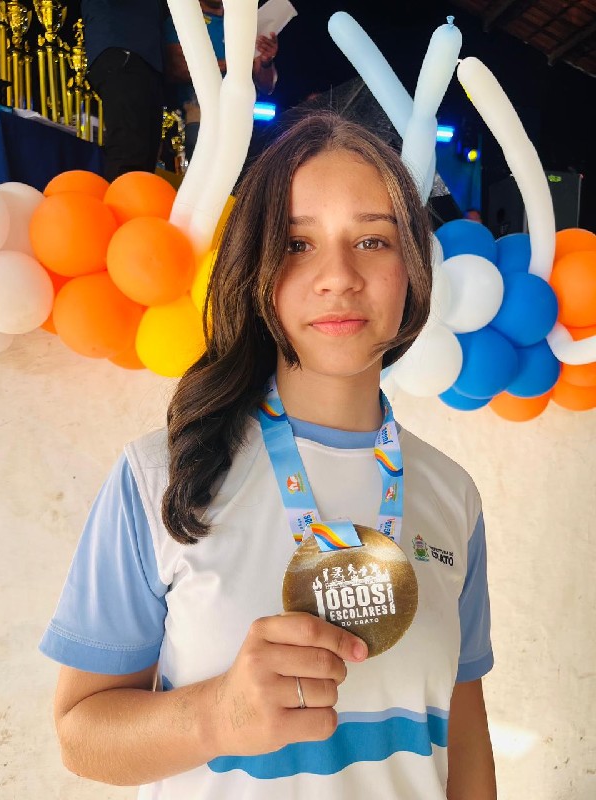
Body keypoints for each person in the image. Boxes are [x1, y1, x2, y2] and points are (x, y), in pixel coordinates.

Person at [40, 112, 496, 799]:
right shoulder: (160, 477)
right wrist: (217, 715)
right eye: (297, 243)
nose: (338, 276)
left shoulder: (452, 494)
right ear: (256, 266)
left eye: (372, 240)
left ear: (412, 269)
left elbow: (465, 737)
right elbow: (81, 736)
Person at [164, 0, 278, 161]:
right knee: (206, 170)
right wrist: (235, 62)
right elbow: (178, 69)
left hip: (240, 120)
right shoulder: (184, 20)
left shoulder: (243, 25)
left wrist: (266, 60)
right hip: (199, 116)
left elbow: (267, 87)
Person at [81, 0, 166, 181]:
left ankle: (135, 197)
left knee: (147, 158)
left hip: (148, 61)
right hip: (121, 50)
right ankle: (122, 198)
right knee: (129, 149)